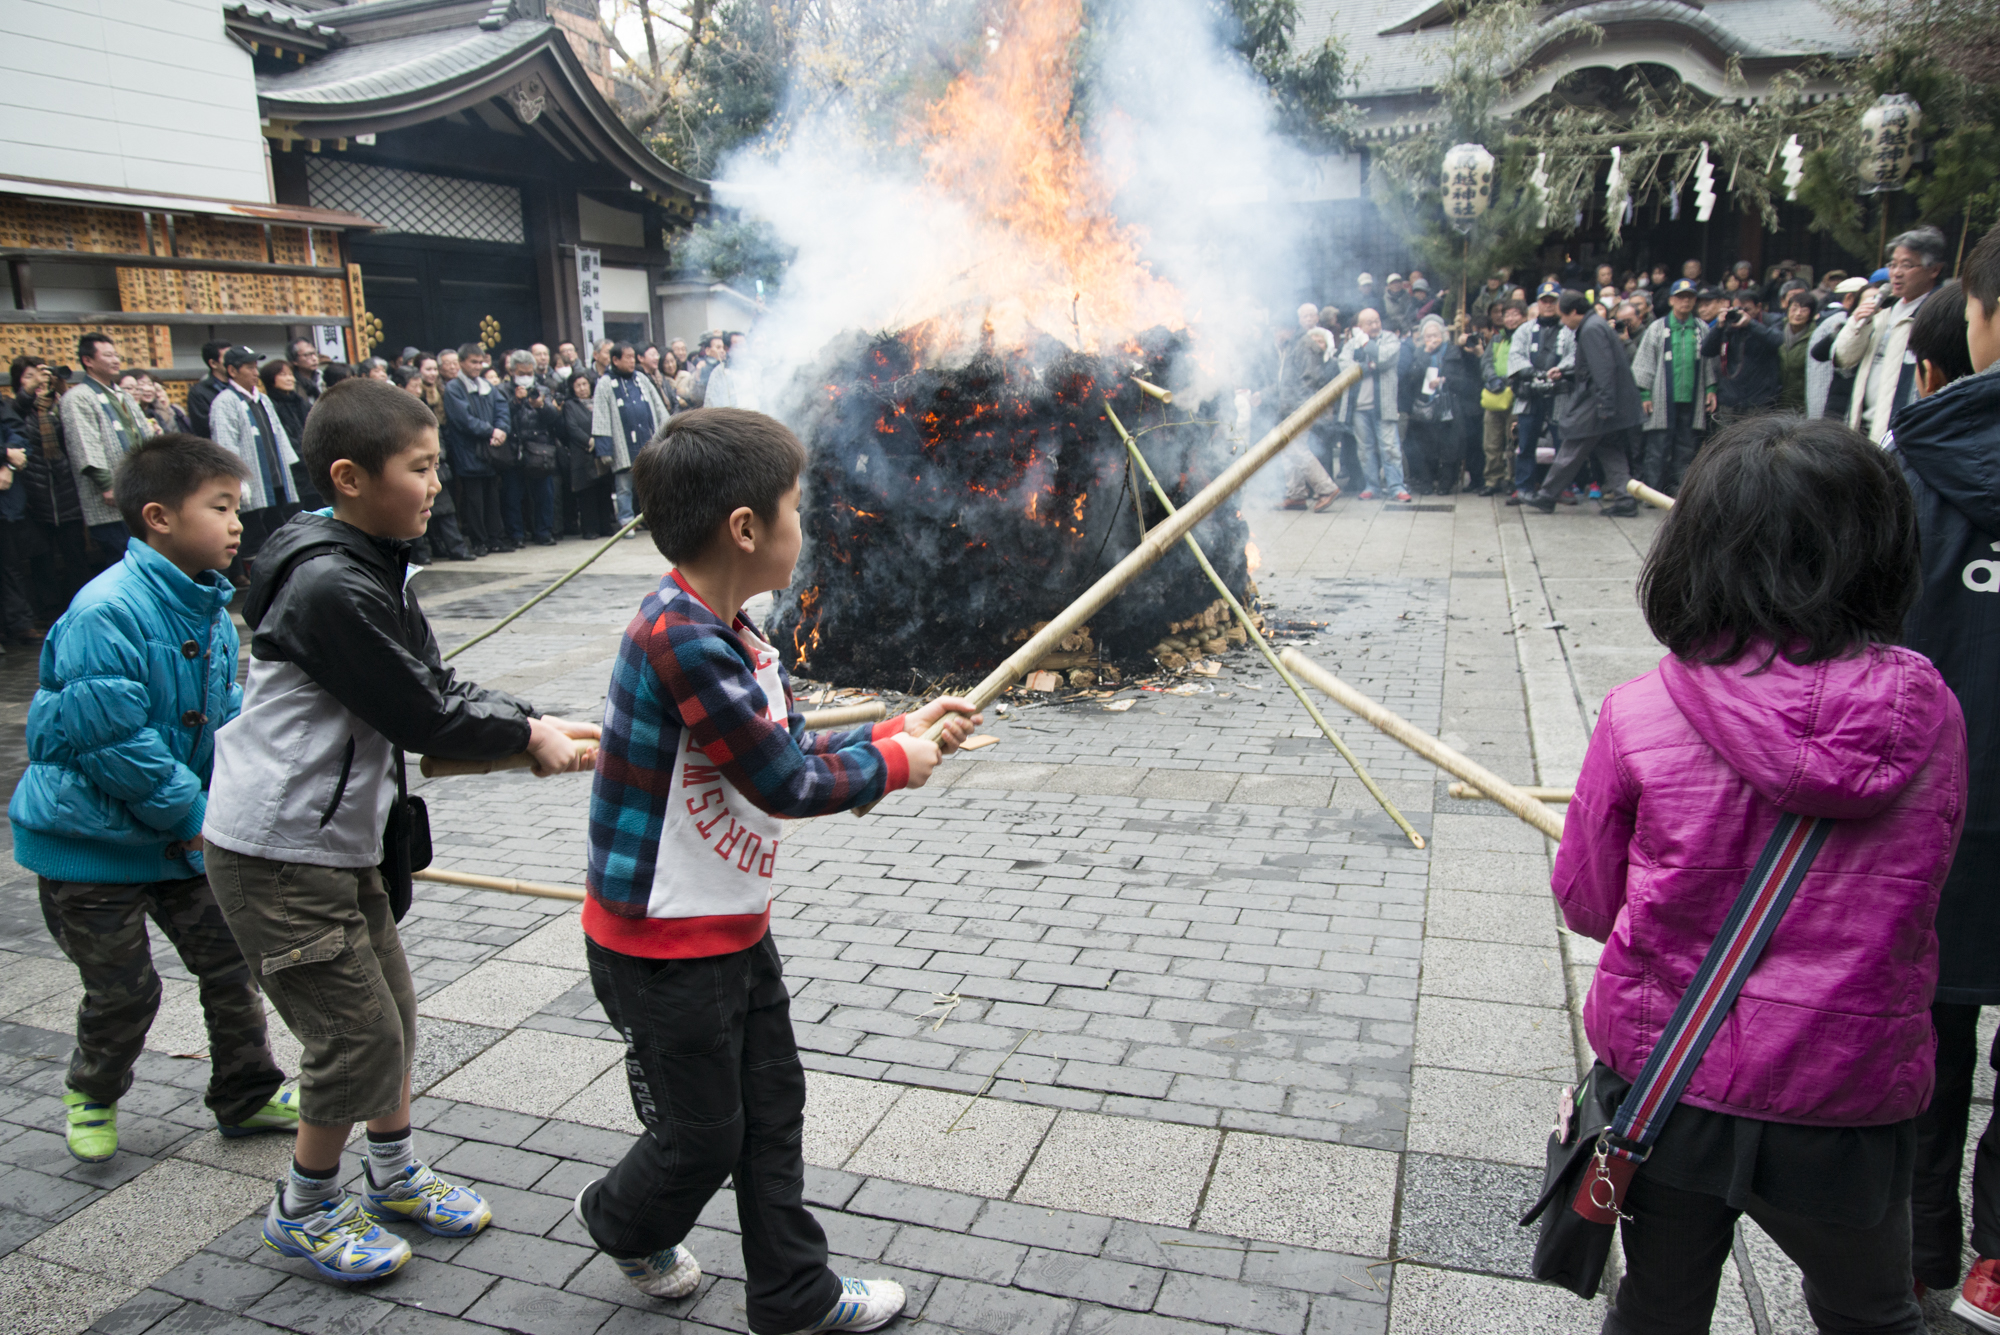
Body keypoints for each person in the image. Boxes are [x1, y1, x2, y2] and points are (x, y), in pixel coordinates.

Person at [570, 406, 973, 1335]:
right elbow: (786, 780)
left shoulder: (740, 634)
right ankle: (622, 1217)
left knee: (771, 1107)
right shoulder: (680, 638)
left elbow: (778, 744)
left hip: (729, 926)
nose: (807, 525)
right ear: (745, 528)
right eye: (796, 507)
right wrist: (900, 765)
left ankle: (793, 1293)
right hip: (661, 945)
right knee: (706, 1131)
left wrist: (893, 732)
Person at [1561, 414, 1963, 1335]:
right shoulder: (1931, 711)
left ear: (1694, 548)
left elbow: (1587, 902)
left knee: (1659, 1308)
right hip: (1849, 1087)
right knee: (1873, 1311)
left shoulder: (1638, 712)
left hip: (1674, 1083)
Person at [201, 379, 596, 1282]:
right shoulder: (332, 581)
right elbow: (422, 712)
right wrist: (525, 736)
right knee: (356, 1037)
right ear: (349, 477)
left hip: (338, 843)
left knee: (393, 1017)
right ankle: (303, 1207)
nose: (436, 486)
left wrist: (535, 720)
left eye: (437, 467)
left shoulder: (369, 559)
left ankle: (391, 1173)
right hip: (277, 854)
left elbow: (440, 686)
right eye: (420, 468)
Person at [8, 433, 302, 1163]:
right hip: (93, 847)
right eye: (221, 507)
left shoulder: (203, 600)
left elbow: (220, 710)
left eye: (238, 507)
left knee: (232, 966)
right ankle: (92, 1091)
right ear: (158, 516)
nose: (239, 523)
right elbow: (115, 746)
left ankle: (247, 1092)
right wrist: (199, 815)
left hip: (174, 836)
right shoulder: (105, 612)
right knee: (124, 991)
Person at [1888, 243, 2000, 1326]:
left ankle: (1913, 1252)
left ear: (1981, 314)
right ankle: (1995, 1263)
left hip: (1934, 817)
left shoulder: (1917, 472)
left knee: (1922, 1037)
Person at [1525, 291, 1641, 516]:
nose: (1563, 322)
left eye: (1564, 317)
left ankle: (1547, 496)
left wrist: (1605, 406)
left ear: (1575, 312)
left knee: (1573, 444)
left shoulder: (1591, 329)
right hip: (1605, 400)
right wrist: (1567, 372)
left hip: (1598, 402)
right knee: (1610, 450)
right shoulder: (1594, 325)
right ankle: (1625, 498)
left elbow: (1603, 370)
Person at [1835, 225, 1948, 442]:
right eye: (1893, 264)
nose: (1895, 273)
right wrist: (1858, 323)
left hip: (1903, 435)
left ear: (1934, 270)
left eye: (1906, 265)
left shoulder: (1938, 316)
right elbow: (1843, 359)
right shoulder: (1882, 311)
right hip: (1863, 429)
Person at [59, 333, 154, 569]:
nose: (115, 360)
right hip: (108, 495)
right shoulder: (77, 397)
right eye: (108, 355)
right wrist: (105, 484)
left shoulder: (123, 395)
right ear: (88, 360)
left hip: (142, 488)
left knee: (149, 555)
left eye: (116, 354)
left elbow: (146, 434)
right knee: (122, 558)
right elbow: (84, 443)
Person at [209, 346, 301, 575]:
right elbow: (225, 444)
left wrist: (290, 469)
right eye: (249, 367)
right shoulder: (225, 402)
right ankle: (258, 581)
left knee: (280, 529)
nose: (255, 372)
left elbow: (279, 434)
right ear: (232, 370)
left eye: (256, 367)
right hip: (251, 482)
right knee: (254, 536)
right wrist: (236, 480)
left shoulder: (264, 401)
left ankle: (284, 575)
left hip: (275, 477)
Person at [10, 358, 90, 619]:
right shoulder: (16, 409)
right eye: (29, 375)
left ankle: (82, 609)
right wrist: (28, 393)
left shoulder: (61, 406)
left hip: (67, 492)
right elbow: (15, 417)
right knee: (42, 559)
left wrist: (61, 388)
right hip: (35, 497)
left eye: (41, 374)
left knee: (75, 554)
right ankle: (51, 612)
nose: (38, 380)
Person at [1630, 279, 1711, 495]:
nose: (1685, 301)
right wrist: (1645, 394)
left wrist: (1710, 390)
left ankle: (1679, 492)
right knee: (1657, 448)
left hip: (1692, 399)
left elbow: (1709, 363)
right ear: (1672, 300)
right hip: (1661, 398)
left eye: (1690, 297)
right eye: (1681, 297)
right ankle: (1652, 492)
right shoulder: (1658, 328)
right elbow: (1644, 363)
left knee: (1687, 448)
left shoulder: (1701, 328)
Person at [1506, 281, 1573, 502]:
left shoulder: (1569, 331)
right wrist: (1531, 372)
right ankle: (1524, 486)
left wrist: (1559, 370)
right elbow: (1515, 355)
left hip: (1560, 392)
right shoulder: (1525, 329)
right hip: (1530, 392)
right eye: (1544, 301)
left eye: (1552, 301)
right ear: (1538, 303)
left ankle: (1561, 488)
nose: (1548, 305)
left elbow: (1575, 356)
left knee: (1563, 444)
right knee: (1525, 444)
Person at [440, 343, 509, 555]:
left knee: (492, 498)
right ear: (461, 362)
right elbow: (464, 420)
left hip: (490, 451)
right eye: (473, 362)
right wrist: (491, 431)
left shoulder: (487, 385)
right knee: (474, 501)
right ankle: (479, 541)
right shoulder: (453, 388)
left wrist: (502, 429)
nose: (478, 366)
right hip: (468, 452)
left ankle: (495, 538)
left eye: (480, 362)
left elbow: (502, 409)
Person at [593, 343, 671, 529]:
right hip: (623, 445)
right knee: (624, 487)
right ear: (615, 360)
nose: (631, 360)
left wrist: (669, 428)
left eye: (632, 356)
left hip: (647, 441)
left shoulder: (641, 379)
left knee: (651, 485)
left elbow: (658, 406)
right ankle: (627, 521)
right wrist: (604, 447)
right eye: (627, 357)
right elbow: (601, 416)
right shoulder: (605, 383)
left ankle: (653, 519)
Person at [1335, 307, 1407, 501]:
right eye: (1370, 323)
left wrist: (1366, 343)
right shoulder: (1351, 344)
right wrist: (1369, 366)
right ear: (1360, 326)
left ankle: (1396, 486)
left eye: (1377, 321)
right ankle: (1372, 486)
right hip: (1359, 406)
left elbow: (1383, 358)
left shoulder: (1390, 339)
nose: (1375, 325)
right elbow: (1344, 366)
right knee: (1365, 449)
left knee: (1390, 447)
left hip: (1384, 404)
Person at [1276, 326, 1340, 510]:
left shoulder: (1304, 345)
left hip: (1300, 407)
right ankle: (1296, 495)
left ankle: (1327, 489)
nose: (1276, 334)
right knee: (1287, 449)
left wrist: (1300, 407)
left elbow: (1311, 378)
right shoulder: (1293, 345)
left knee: (1295, 447)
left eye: (1277, 329)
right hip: (1290, 407)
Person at [503, 349, 561, 546]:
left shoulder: (542, 389)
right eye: (521, 373)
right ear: (512, 371)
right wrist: (517, 402)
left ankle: (544, 532)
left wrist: (541, 406)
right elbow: (502, 417)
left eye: (529, 373)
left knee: (544, 495)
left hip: (540, 450)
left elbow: (554, 418)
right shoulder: (503, 390)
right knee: (513, 496)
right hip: (514, 449)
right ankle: (516, 535)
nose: (526, 377)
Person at [1700, 292, 1784, 424]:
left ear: (1758, 307)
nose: (1742, 313)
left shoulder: (1771, 321)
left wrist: (1750, 324)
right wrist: (1719, 326)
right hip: (1730, 397)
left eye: (1747, 310)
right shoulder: (1730, 323)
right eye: (1738, 309)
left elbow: (1777, 340)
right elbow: (1706, 350)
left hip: (1759, 399)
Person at [1399, 316, 1459, 494]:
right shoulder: (1419, 352)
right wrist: (1426, 353)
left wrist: (1443, 380)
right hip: (1425, 405)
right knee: (1425, 447)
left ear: (1443, 335)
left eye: (1435, 335)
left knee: (1448, 446)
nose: (1432, 339)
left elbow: (1461, 378)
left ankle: (1445, 483)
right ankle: (1426, 482)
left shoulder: (1453, 351)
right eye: (1428, 336)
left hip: (1448, 404)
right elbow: (1412, 377)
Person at [562, 373, 616, 538]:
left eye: (584, 384)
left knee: (603, 491)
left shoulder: (598, 401)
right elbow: (572, 427)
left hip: (601, 453)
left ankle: (605, 527)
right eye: (578, 385)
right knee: (588, 494)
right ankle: (590, 529)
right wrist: (589, 441)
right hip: (583, 453)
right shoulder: (570, 405)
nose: (582, 388)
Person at [1478, 302, 1522, 495]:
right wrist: (1492, 378)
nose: (1510, 319)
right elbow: (1486, 361)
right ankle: (1492, 480)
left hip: (1517, 394)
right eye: (1507, 315)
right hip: (1495, 394)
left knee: (1513, 439)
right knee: (1491, 441)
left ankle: (1512, 479)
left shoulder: (1525, 337)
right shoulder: (1497, 339)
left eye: (1515, 315)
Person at [1777, 290, 1821, 413]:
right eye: (1794, 308)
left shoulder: (1816, 336)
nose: (1798, 313)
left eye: (1804, 310)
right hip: (1775, 399)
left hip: (1800, 402)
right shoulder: (1777, 329)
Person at [186, 341, 232, 439]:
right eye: (228, 358)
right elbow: (205, 429)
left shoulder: (240, 386)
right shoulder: (198, 393)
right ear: (213, 363)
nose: (234, 362)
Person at [288, 338, 324, 410]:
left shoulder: (323, 377)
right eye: (307, 355)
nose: (314, 358)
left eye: (314, 353)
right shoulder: (290, 383)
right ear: (295, 361)